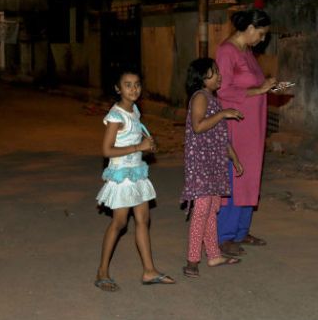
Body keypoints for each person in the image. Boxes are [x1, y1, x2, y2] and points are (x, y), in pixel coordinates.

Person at [94, 70, 175, 292]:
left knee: (143, 220)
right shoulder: (116, 116)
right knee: (119, 223)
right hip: (122, 175)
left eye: (137, 84)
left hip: (137, 173)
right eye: (128, 85)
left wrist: (148, 145)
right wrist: (139, 147)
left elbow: (135, 137)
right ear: (118, 89)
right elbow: (107, 150)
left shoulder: (135, 111)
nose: (134, 89)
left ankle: (149, 270)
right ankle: (102, 271)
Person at [215, 8, 278, 257]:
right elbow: (223, 91)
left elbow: (253, 85)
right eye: (261, 34)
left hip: (254, 125)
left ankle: (241, 230)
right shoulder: (226, 51)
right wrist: (258, 91)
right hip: (237, 123)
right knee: (235, 175)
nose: (262, 39)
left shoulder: (247, 52)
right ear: (250, 28)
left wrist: (268, 87)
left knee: (250, 175)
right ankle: (225, 235)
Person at [181, 58, 245, 278]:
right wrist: (222, 113)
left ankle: (214, 255)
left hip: (214, 163)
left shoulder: (213, 99)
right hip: (201, 165)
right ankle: (192, 260)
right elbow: (198, 126)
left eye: (218, 71)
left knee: (211, 211)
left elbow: (221, 137)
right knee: (201, 211)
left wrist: (234, 158)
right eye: (214, 72)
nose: (219, 76)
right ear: (201, 78)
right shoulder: (200, 96)